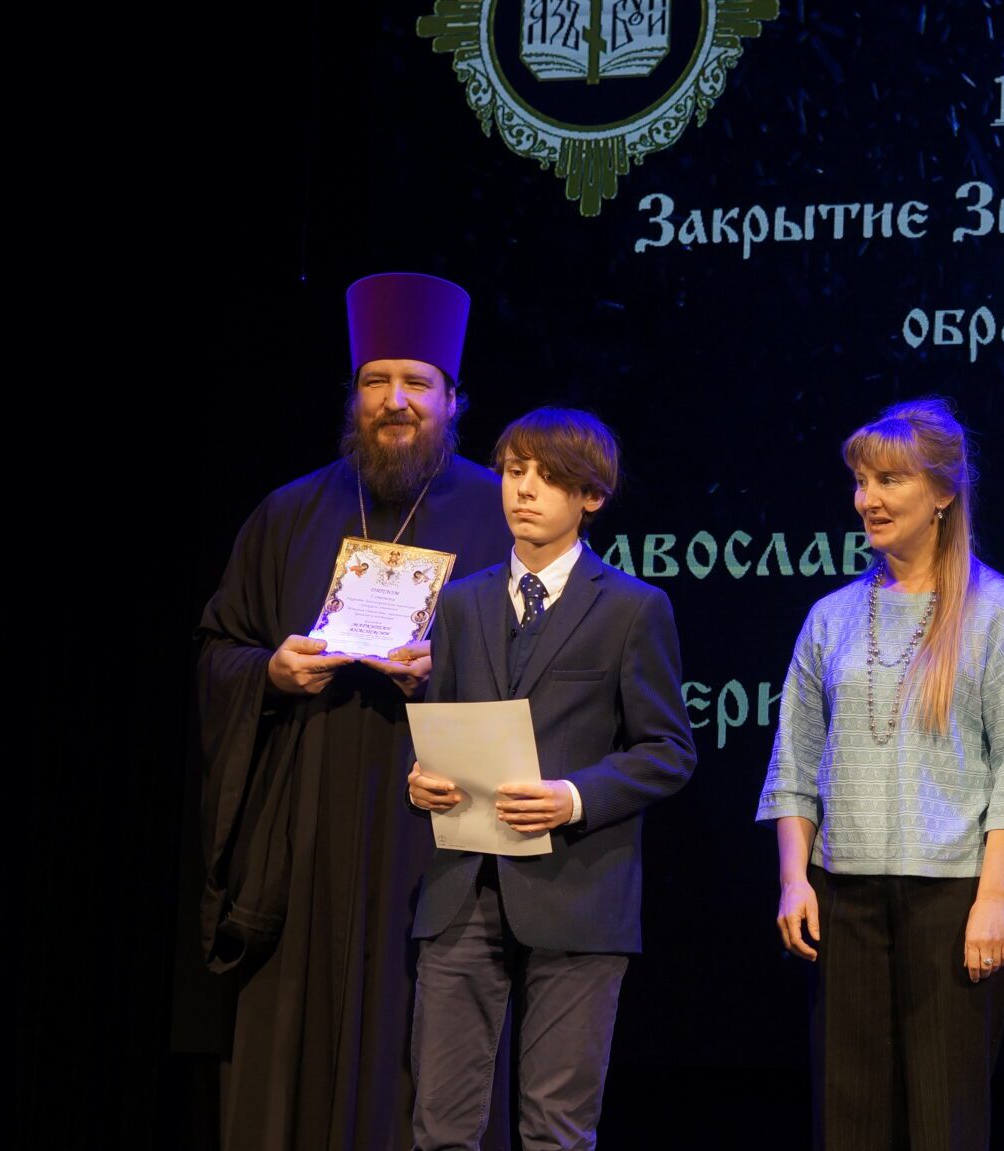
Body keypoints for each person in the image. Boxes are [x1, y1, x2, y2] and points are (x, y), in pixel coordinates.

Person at [195, 272, 513, 1150]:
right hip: (306, 817)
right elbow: (218, 650)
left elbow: (551, 670)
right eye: (377, 381)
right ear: (355, 396)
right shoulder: (289, 512)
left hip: (438, 826)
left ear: (453, 399)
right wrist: (269, 671)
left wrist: (448, 673)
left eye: (417, 382)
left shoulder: (501, 515)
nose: (395, 401)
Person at [756, 397, 1004, 1151]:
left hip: (952, 898)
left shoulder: (998, 613)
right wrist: (795, 879)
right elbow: (795, 762)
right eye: (861, 481)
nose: (867, 499)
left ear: (943, 493)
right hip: (843, 895)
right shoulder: (830, 617)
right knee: (849, 1121)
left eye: (889, 480)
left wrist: (992, 899)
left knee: (943, 1120)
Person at [406, 407, 696, 1151]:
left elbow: (668, 749)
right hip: (464, 890)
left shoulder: (632, 607)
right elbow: (441, 728)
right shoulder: (462, 602)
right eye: (514, 471)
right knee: (440, 1126)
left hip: (578, 892)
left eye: (548, 476)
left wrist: (573, 797)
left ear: (591, 495)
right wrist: (423, 780)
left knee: (556, 1132)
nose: (524, 489)